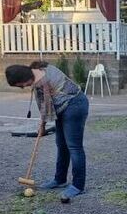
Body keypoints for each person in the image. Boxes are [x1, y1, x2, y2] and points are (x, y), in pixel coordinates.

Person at [5, 61, 89, 201]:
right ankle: (60, 179)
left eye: (21, 85)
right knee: (61, 145)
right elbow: (48, 107)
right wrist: (42, 125)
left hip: (74, 105)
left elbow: (46, 109)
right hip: (62, 106)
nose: (24, 87)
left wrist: (42, 126)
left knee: (74, 147)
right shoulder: (37, 68)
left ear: (23, 78)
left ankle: (78, 186)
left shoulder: (41, 83)